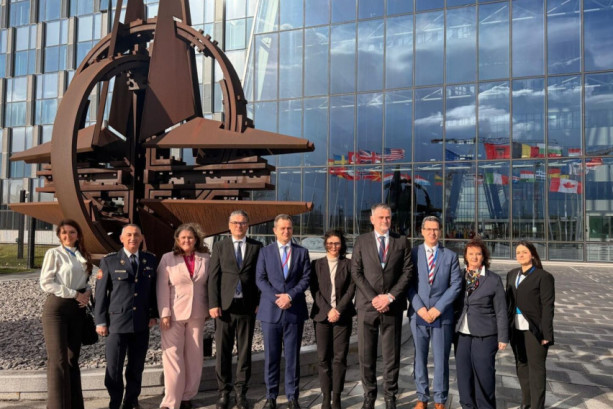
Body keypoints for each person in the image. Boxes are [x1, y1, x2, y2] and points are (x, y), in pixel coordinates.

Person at [351, 203, 412, 409]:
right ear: (372, 219)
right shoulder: (361, 241)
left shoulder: (401, 241)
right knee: (366, 354)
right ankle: (369, 395)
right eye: (381, 217)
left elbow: (407, 272)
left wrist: (389, 297)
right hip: (367, 307)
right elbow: (356, 272)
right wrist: (375, 298)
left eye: (388, 217)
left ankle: (390, 396)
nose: (385, 221)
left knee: (391, 355)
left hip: (392, 307)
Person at [94, 224, 159, 409]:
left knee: (136, 366)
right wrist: (100, 321)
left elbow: (153, 290)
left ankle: (131, 401)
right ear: (121, 239)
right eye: (129, 235)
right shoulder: (110, 261)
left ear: (141, 238)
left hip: (141, 323)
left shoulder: (150, 260)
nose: (133, 238)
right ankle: (115, 402)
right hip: (116, 323)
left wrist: (153, 314)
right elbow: (101, 294)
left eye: (136, 235)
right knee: (114, 367)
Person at [209, 210, 263, 409]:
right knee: (223, 351)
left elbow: (260, 276)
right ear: (229, 225)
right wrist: (213, 303)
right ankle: (224, 392)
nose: (239, 226)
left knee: (244, 351)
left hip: (247, 307)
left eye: (242, 223)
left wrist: (259, 302)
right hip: (224, 308)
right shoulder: (220, 246)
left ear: (247, 225)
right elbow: (213, 277)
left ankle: (241, 392)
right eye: (235, 223)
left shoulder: (257, 246)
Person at [256, 214, 311, 409]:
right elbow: (260, 279)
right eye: (282, 228)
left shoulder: (302, 252)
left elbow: (306, 278)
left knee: (292, 357)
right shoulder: (265, 252)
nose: (286, 231)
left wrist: (290, 296)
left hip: (294, 311)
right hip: (271, 313)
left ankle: (292, 396)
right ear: (275, 230)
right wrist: (277, 298)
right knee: (271, 357)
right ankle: (271, 396)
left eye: (289, 228)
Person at [40, 219, 96, 409]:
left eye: (72, 232)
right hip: (57, 309)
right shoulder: (54, 254)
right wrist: (75, 294)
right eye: (64, 232)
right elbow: (46, 282)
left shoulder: (83, 255)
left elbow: (84, 281)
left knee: (73, 359)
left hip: (78, 310)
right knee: (58, 359)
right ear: (59, 236)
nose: (68, 236)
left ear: (78, 235)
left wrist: (87, 292)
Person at [408, 215, 462, 409]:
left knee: (441, 359)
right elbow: (408, 283)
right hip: (418, 314)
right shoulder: (413, 253)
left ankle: (440, 400)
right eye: (428, 229)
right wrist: (420, 308)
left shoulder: (450, 256)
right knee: (419, 358)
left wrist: (438, 309)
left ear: (440, 231)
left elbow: (456, 285)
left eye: (436, 229)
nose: (432, 233)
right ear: (422, 231)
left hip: (442, 315)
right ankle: (422, 397)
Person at [157, 223, 210, 409]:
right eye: (183, 238)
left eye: (190, 237)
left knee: (194, 356)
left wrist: (210, 308)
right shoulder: (167, 258)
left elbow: (210, 285)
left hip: (198, 313)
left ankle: (187, 396)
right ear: (177, 240)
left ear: (196, 239)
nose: (187, 240)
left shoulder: (206, 258)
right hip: (173, 314)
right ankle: (171, 401)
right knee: (172, 356)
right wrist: (164, 313)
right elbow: (162, 287)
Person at [454, 239, 508, 409]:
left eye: (478, 254)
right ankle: (467, 406)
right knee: (464, 375)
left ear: (484, 256)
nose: (474, 257)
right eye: (471, 254)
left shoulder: (493, 279)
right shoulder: (458, 276)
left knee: (484, 375)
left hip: (485, 335)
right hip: (462, 335)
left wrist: (503, 337)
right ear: (465, 256)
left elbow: (501, 310)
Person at [310, 230, 356, 409]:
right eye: (330, 243)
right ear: (325, 244)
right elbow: (314, 290)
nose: (333, 246)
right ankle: (325, 397)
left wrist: (338, 310)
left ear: (341, 244)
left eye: (336, 243)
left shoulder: (349, 264)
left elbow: (351, 289)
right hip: (322, 317)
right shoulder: (316, 264)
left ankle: (336, 397)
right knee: (323, 358)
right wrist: (328, 310)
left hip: (342, 316)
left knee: (339, 358)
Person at [506, 241, 555, 409]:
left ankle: (536, 406)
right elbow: (508, 302)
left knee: (536, 370)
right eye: (518, 252)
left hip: (535, 329)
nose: (520, 255)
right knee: (521, 365)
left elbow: (548, 307)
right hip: (515, 328)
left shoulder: (544, 276)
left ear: (532, 254)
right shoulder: (511, 274)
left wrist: (546, 334)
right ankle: (526, 402)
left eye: (524, 252)